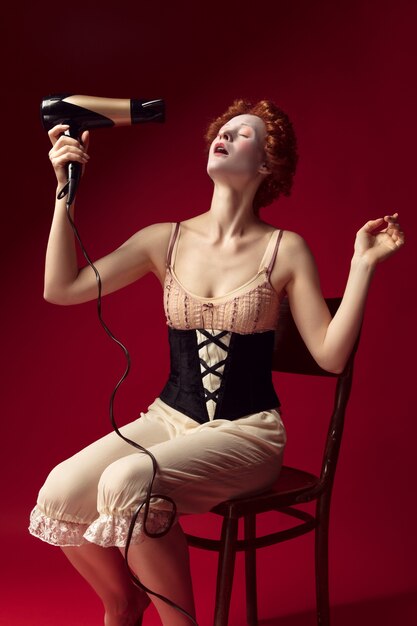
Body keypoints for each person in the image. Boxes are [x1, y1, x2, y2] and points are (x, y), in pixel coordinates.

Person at [29, 99, 404, 626]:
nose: (223, 137)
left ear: (267, 164)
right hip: (168, 419)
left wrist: (362, 266)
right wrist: (65, 191)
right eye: (221, 131)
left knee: (127, 481)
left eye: (242, 134)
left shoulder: (285, 249)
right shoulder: (165, 239)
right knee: (60, 492)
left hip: (249, 432)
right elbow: (61, 288)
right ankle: (123, 604)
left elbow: (331, 356)